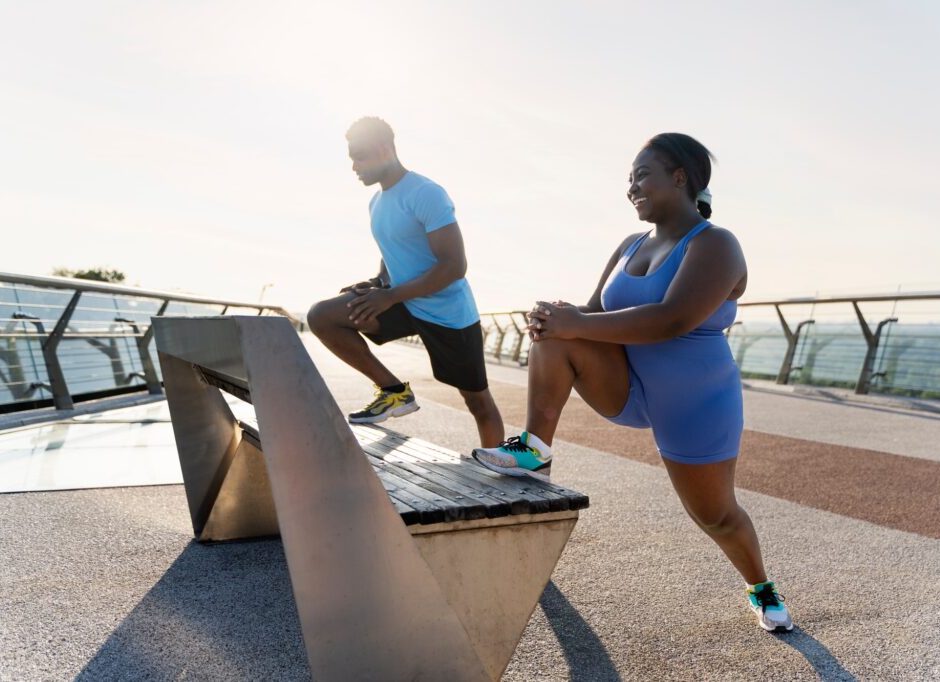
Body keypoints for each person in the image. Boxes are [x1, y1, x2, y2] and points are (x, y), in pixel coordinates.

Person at [472, 133, 792, 631]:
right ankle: (534, 446)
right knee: (558, 334)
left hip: (696, 403)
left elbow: (672, 320)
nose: (632, 188)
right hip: (627, 384)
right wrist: (558, 316)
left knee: (716, 517)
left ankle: (760, 586)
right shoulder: (629, 245)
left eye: (642, 175)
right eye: (629, 180)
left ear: (680, 177)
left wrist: (574, 322)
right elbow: (596, 314)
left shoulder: (716, 244)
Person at [308, 117, 504, 447]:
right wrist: (377, 283)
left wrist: (391, 295)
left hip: (448, 314)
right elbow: (393, 252)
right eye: (351, 158)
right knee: (322, 316)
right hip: (402, 302)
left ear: (385, 150)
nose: (354, 166)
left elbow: (455, 265)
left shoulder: (425, 193)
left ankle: (500, 475)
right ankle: (393, 391)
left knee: (478, 403)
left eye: (360, 156)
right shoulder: (376, 202)